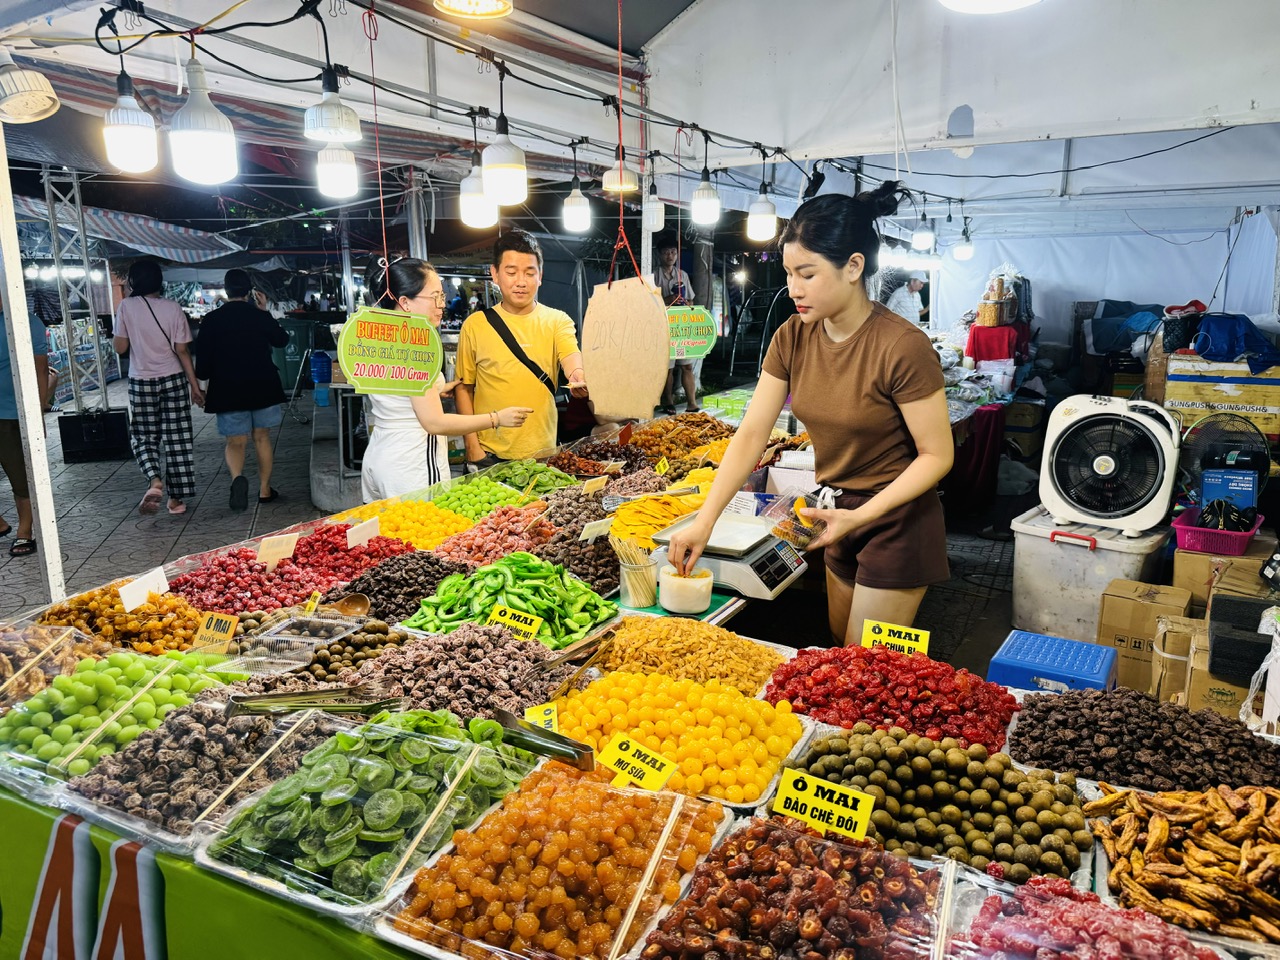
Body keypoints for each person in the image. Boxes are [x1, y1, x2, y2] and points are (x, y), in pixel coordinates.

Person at [668, 183, 954, 645]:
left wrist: (863, 517)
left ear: (853, 267)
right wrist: (705, 520)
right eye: (788, 273)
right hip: (836, 511)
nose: (793, 289)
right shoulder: (793, 335)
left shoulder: (902, 346)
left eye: (808, 274)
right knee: (840, 644)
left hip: (898, 519)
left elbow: (937, 455)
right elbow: (750, 435)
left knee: (865, 669)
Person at [359, 257, 534, 501]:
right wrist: (496, 418)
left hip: (381, 454)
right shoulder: (415, 348)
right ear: (405, 302)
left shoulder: (382, 338)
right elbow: (434, 422)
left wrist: (438, 387)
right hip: (413, 461)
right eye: (436, 297)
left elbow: (401, 393)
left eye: (442, 296)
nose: (442, 305)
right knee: (423, 535)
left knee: (386, 537)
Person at [456, 230, 587, 468]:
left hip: (544, 451)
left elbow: (570, 356)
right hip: (490, 452)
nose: (521, 281)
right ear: (495, 274)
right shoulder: (475, 325)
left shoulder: (558, 320)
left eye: (529, 272)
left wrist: (577, 374)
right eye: (511, 272)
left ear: (540, 276)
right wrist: (473, 448)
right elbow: (464, 388)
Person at [112, 259, 203, 516]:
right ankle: (176, 500)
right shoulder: (173, 308)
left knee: (143, 436)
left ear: (132, 282)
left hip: (141, 381)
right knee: (178, 440)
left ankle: (154, 480)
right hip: (173, 378)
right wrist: (195, 386)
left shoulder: (127, 307)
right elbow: (182, 351)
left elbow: (120, 348)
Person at [194, 269, 289, 511]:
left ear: (226, 291)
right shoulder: (259, 316)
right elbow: (281, 340)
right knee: (262, 437)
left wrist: (201, 383)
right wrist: (265, 311)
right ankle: (265, 490)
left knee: (235, 441)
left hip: (227, 388)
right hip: (263, 385)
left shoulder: (212, 320)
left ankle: (238, 479)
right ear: (249, 291)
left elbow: (202, 364)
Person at [0, 307, 52, 557]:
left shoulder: (26, 321)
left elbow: (41, 369)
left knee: (20, 476)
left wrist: (37, 413)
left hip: (13, 413)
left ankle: (24, 531)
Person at [655, 238, 699, 415]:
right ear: (659, 254)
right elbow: (650, 301)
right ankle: (669, 402)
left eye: (673, 252)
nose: (670, 255)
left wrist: (685, 301)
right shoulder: (654, 275)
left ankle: (692, 403)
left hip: (681, 328)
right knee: (668, 369)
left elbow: (691, 300)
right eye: (666, 252)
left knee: (687, 365)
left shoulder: (683, 275)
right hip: (663, 328)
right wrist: (668, 300)